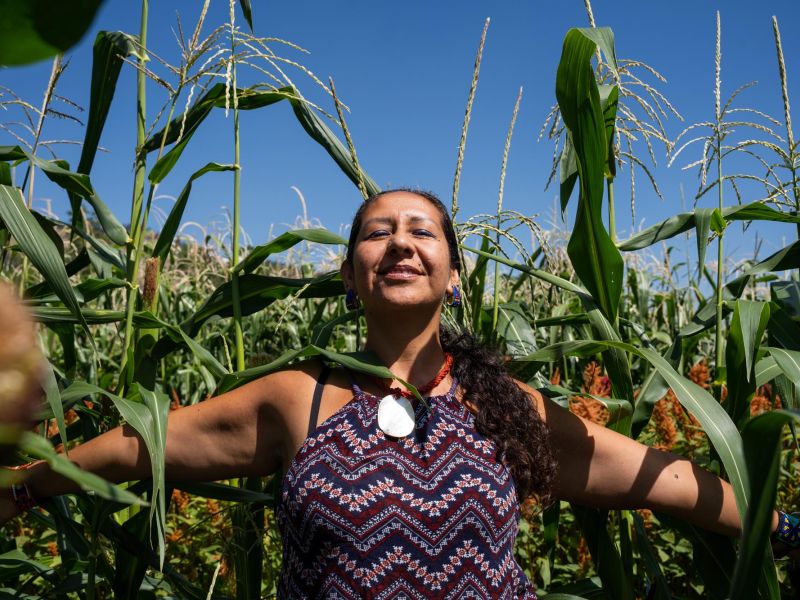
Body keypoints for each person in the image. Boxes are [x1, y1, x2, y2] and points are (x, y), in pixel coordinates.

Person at [0, 189, 794, 597]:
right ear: (350, 276)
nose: (401, 242)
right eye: (378, 232)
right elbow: (145, 444)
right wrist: (22, 487)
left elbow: (666, 480)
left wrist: (785, 525)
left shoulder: (502, 405)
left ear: (453, 275)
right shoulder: (296, 399)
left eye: (423, 230)